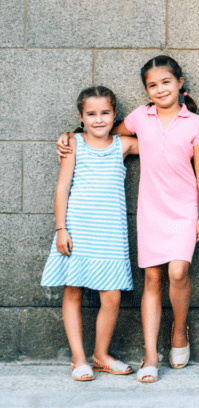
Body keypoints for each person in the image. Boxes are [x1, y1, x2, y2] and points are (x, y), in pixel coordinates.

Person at [119, 56, 199, 383]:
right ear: (146, 90)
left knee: (177, 271)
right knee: (153, 280)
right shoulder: (139, 117)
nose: (160, 89)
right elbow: (108, 136)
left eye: (166, 82)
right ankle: (149, 355)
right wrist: (73, 139)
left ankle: (178, 329)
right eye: (152, 85)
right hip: (151, 207)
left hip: (185, 207)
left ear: (180, 83)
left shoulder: (194, 123)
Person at [42, 87, 139, 381]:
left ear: (115, 115)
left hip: (110, 233)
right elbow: (62, 188)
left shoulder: (122, 145)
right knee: (73, 291)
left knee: (111, 296)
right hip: (78, 229)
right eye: (91, 114)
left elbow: (160, 137)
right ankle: (79, 359)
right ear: (81, 117)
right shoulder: (74, 143)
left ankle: (101, 355)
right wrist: (61, 229)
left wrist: (193, 120)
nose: (99, 120)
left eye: (105, 113)